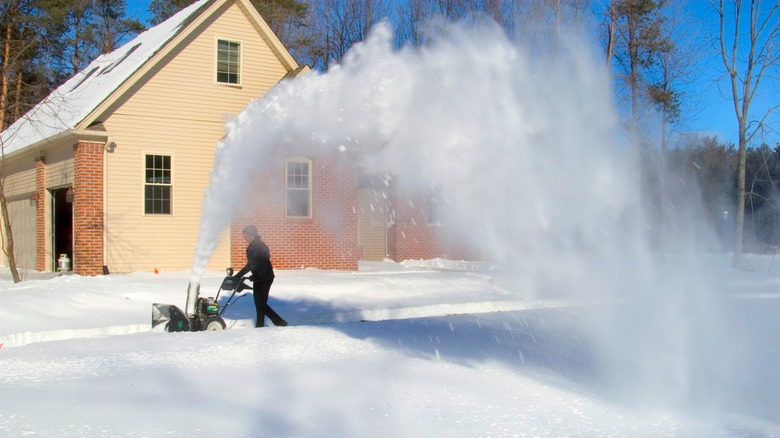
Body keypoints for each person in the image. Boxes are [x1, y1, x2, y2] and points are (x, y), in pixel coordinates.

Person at [234, 225, 287, 327]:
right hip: (262, 277)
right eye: (244, 236)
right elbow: (252, 264)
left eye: (246, 236)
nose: (245, 238)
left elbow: (262, 263)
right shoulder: (256, 246)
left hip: (264, 277)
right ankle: (278, 322)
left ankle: (261, 326)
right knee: (260, 304)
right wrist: (238, 275)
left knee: (260, 304)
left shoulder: (257, 247)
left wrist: (254, 276)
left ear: (252, 235)